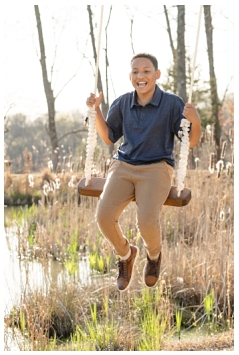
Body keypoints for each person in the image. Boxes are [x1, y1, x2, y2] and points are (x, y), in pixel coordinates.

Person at [85, 52, 201, 291]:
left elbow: (190, 142)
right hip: (124, 165)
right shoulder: (122, 102)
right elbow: (108, 138)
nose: (141, 76)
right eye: (136, 72)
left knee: (146, 221)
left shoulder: (172, 103)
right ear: (130, 76)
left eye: (146, 71)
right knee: (103, 218)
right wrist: (95, 110)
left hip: (157, 167)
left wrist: (195, 120)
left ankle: (154, 256)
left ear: (157, 75)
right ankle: (127, 255)